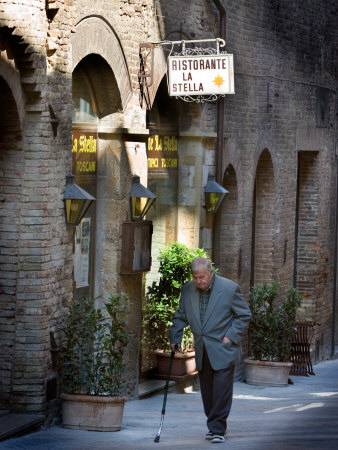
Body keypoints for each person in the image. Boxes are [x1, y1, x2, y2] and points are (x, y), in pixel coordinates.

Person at [170, 257, 251, 444]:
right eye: (195, 277)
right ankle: (213, 424)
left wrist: (230, 336)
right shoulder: (187, 289)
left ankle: (217, 429)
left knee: (221, 390)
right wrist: (175, 338)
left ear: (211, 273)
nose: (198, 281)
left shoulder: (229, 289)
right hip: (202, 348)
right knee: (207, 391)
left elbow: (243, 315)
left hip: (224, 348)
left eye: (201, 277)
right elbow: (180, 316)